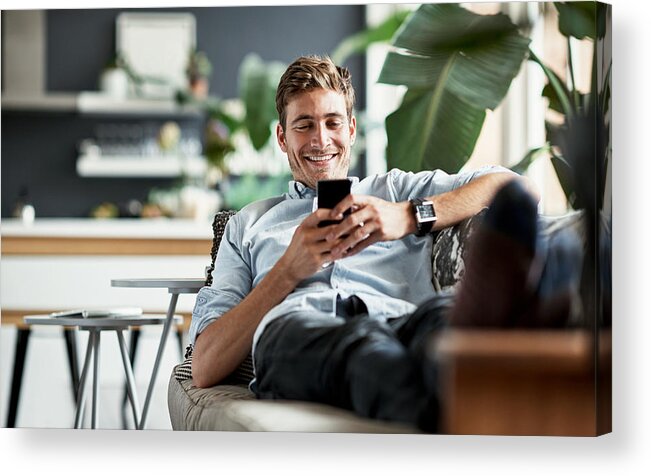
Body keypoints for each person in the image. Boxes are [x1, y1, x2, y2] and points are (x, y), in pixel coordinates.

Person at [188, 55, 546, 432]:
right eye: (304, 125)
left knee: (445, 319)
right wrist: (286, 272)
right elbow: (205, 365)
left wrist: (408, 216)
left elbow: (518, 189)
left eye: (332, 122)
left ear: (352, 129)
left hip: (404, 319)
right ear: (282, 137)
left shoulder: (394, 191)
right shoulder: (248, 224)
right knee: (368, 355)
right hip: (298, 332)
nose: (321, 140)